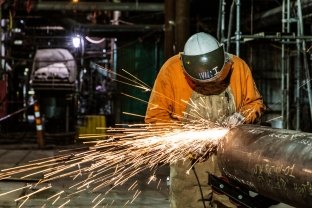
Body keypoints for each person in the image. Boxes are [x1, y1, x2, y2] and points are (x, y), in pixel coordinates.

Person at [145, 32, 265, 208]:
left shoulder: (238, 67)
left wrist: (242, 116)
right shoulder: (171, 71)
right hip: (189, 164)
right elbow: (155, 118)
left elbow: (254, 103)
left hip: (231, 162)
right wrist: (187, 141)